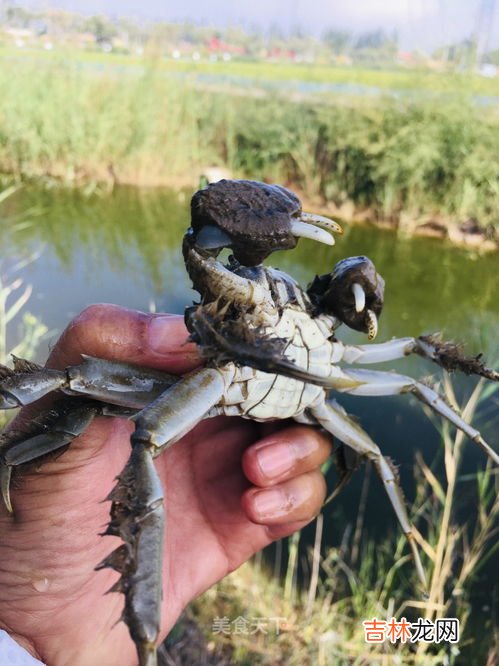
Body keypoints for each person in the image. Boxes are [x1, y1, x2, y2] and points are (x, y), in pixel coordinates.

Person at [0, 304, 331, 666]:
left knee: (75, 382)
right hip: (202, 393)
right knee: (76, 384)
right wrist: (26, 635)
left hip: (247, 421)